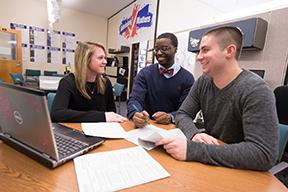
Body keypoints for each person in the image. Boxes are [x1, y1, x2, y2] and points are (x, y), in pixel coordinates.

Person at [156, 26, 279, 171]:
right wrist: (193, 134)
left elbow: (263, 154)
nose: (199, 56)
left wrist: (193, 150)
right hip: (213, 163)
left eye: (205, 50)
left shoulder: (256, 90)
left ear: (229, 51)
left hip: (242, 172)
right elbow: (183, 114)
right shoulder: (203, 82)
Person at [127, 32, 195, 127]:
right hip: (146, 126)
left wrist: (171, 116)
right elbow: (135, 99)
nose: (158, 53)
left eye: (164, 49)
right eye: (156, 49)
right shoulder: (145, 73)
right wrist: (135, 113)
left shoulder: (187, 78)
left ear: (175, 49)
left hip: (173, 129)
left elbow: (186, 110)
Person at [51, 41, 127, 123]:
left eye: (105, 58)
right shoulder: (68, 82)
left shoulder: (106, 83)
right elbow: (57, 114)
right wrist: (101, 116)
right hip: (75, 132)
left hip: (100, 131)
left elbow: (111, 112)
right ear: (86, 60)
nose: (105, 61)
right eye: (100, 58)